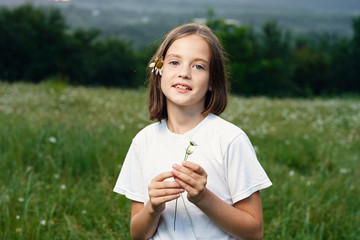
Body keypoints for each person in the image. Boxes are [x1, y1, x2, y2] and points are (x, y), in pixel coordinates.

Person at [113, 23, 272, 240]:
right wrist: (153, 208)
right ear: (159, 70)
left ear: (212, 82)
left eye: (198, 66)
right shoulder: (143, 142)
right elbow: (138, 234)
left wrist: (203, 197)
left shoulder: (230, 140)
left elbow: (254, 232)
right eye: (174, 62)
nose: (184, 73)